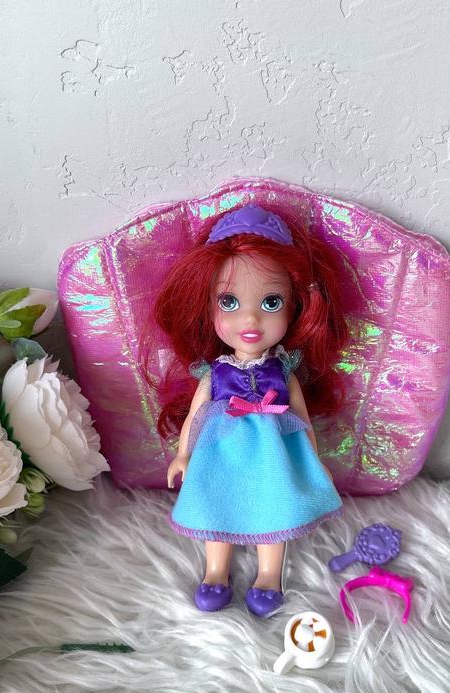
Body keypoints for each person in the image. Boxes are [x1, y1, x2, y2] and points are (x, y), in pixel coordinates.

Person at [149, 203, 348, 617]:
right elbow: (197, 416)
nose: (251, 319)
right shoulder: (215, 372)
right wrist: (183, 454)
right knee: (217, 505)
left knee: (274, 507)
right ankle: (215, 570)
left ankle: (269, 575)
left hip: (272, 457)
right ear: (207, 306)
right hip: (221, 454)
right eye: (229, 302)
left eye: (271, 302)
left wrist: (314, 461)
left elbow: (301, 420)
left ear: (295, 307)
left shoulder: (283, 370)